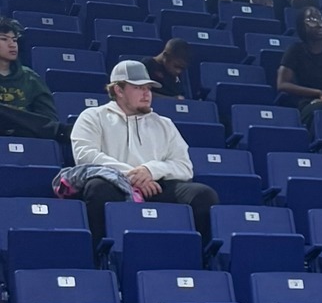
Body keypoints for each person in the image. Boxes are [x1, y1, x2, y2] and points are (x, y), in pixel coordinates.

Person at [69, 60, 217, 243]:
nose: (147, 93)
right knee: (98, 188)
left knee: (202, 194)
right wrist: (130, 176)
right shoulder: (93, 116)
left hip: (155, 185)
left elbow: (184, 167)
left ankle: (199, 259)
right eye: (139, 87)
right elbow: (85, 156)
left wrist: (150, 170)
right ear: (118, 90)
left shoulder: (164, 124)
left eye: (148, 87)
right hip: (114, 185)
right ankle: (101, 255)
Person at [276, 5, 322, 118]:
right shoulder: (295, 50)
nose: (319, 24)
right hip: (308, 102)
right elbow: (282, 84)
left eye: (321, 19)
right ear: (302, 26)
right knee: (320, 109)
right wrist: (318, 93)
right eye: (312, 20)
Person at [0, 17, 62, 139]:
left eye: (14, 40)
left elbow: (48, 119)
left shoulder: (30, 78)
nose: (12, 44)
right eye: (4, 39)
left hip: (24, 137)